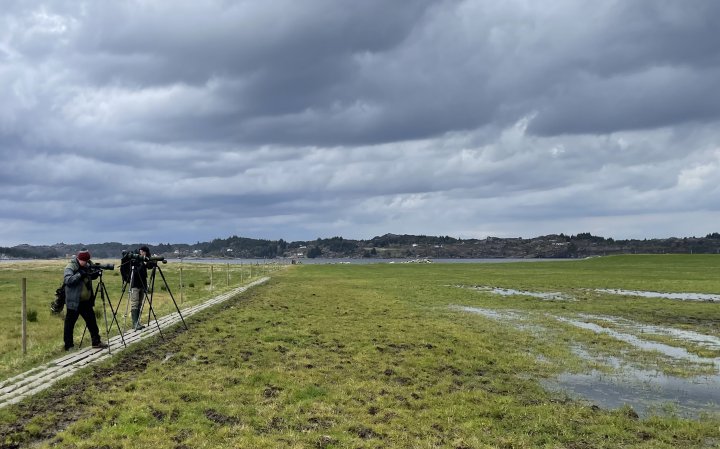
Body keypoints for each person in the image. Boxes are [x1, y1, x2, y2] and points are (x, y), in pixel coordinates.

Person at [63, 250, 108, 351]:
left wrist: (94, 274)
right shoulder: (71, 266)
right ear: (79, 259)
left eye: (87, 261)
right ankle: (69, 346)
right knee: (70, 325)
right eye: (84, 261)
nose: (86, 263)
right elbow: (68, 280)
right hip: (74, 301)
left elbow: (89, 276)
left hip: (86, 301)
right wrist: (79, 274)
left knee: (92, 322)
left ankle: (96, 342)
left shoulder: (88, 265)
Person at [129, 245, 155, 330]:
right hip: (135, 284)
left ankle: (138, 322)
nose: (143, 253)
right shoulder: (136, 259)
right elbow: (137, 271)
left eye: (144, 252)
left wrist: (148, 262)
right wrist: (143, 264)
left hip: (142, 283)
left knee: (139, 303)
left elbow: (150, 266)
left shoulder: (145, 259)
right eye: (142, 251)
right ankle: (134, 323)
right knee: (135, 303)